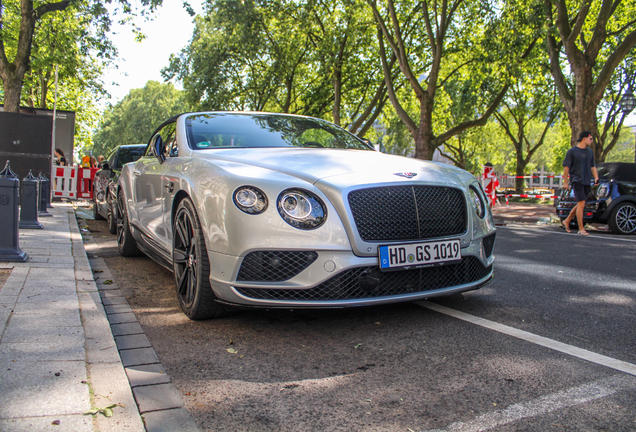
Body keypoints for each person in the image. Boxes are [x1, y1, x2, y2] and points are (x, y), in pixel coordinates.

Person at [561, 131, 599, 235]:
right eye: (590, 139)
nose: (591, 141)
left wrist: (596, 177)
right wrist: (565, 182)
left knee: (581, 203)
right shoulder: (572, 151)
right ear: (584, 138)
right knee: (581, 202)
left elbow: (593, 166)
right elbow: (566, 167)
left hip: (587, 180)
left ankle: (567, 220)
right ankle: (581, 229)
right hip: (576, 180)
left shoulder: (590, 152)